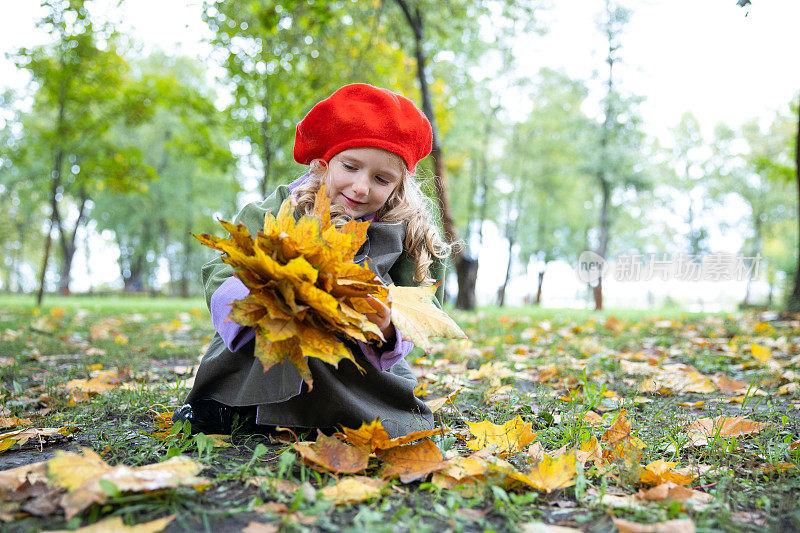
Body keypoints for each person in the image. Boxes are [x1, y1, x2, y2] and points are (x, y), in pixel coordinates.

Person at [173, 83, 452, 438]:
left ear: (398, 186)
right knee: (261, 352)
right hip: (267, 342)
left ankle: (336, 417)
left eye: (381, 179)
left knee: (374, 417)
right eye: (350, 167)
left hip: (351, 362)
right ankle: (228, 408)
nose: (361, 187)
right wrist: (258, 292)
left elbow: (423, 307)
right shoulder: (281, 208)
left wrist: (386, 326)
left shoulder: (406, 233)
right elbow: (225, 265)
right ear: (325, 162)